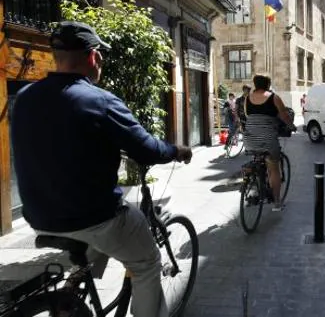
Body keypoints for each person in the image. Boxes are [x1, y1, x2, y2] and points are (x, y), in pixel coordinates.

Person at [10, 21, 193, 317]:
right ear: (94, 57)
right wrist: (177, 151)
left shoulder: (25, 97)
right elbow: (146, 148)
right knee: (146, 263)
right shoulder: (100, 100)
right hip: (92, 218)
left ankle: (73, 290)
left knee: (98, 238)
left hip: (38, 215)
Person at [243, 75, 296, 211]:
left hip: (249, 140)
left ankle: (254, 181)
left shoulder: (247, 98)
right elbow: (284, 115)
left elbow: (248, 115)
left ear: (255, 85)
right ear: (268, 85)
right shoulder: (274, 97)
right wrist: (292, 126)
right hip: (267, 139)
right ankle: (277, 203)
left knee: (257, 157)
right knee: (274, 169)